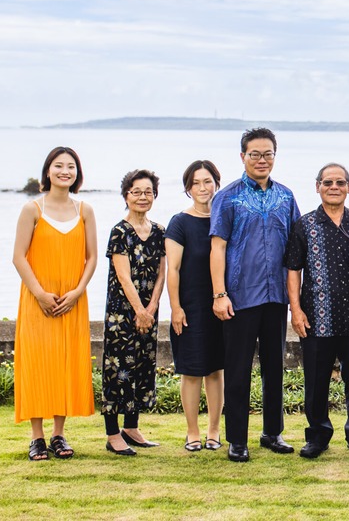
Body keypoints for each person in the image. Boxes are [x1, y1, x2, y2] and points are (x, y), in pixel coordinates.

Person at [210, 127, 301, 462]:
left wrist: (296, 299)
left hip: (276, 296)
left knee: (274, 368)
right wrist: (219, 294)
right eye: (255, 154)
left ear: (275, 156)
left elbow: (295, 251)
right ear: (243, 156)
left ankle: (272, 432)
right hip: (239, 297)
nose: (262, 160)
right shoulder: (228, 197)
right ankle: (237, 439)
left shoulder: (286, 197)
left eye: (268, 154)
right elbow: (218, 248)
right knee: (237, 371)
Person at [12, 147, 98, 461]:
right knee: (37, 364)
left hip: (73, 301)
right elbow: (18, 257)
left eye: (71, 166)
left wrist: (77, 291)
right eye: (59, 165)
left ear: (77, 172)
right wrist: (39, 293)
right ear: (48, 171)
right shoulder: (32, 209)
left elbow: (92, 258)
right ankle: (36, 437)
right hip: (38, 301)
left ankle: (58, 434)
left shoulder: (85, 210)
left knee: (65, 363)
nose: (65, 171)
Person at [286, 162, 349, 459]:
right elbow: (293, 270)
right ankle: (317, 437)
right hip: (316, 317)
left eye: (340, 182)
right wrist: (295, 310)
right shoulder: (305, 224)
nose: (333, 187)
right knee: (316, 382)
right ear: (318, 187)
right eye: (327, 182)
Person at [103, 169, 167, 456]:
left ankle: (131, 427)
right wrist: (139, 310)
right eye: (137, 192)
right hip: (122, 313)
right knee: (118, 370)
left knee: (142, 365)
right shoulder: (119, 231)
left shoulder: (160, 231)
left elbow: (162, 273)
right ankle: (112, 433)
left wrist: (151, 307)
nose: (143, 197)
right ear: (126, 195)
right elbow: (123, 276)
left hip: (149, 311)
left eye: (148, 192)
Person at [165, 160, 225, 452]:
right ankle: (192, 432)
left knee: (216, 371)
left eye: (207, 181)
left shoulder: (223, 219)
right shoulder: (180, 222)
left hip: (221, 305)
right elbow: (173, 270)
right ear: (188, 188)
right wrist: (176, 308)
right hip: (190, 307)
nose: (203, 188)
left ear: (216, 183)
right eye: (196, 183)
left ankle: (214, 431)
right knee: (191, 372)